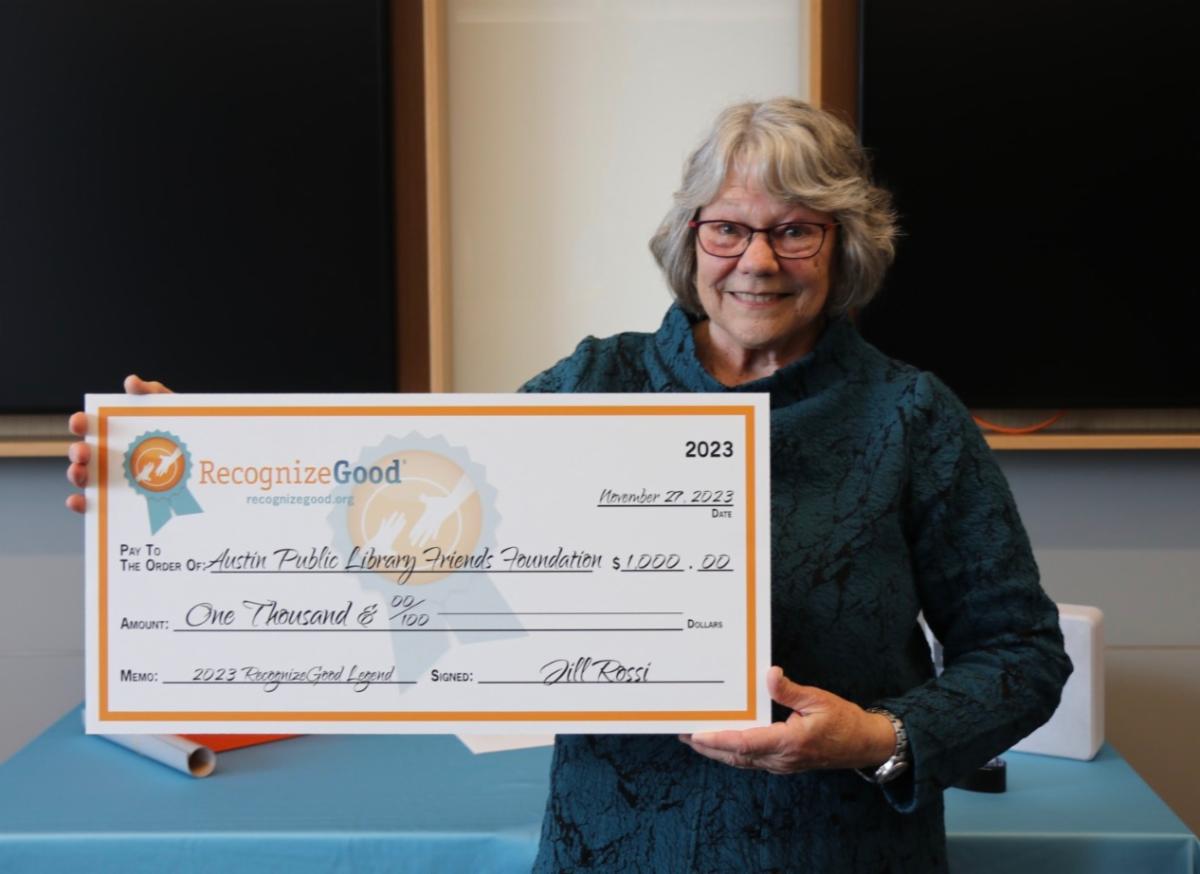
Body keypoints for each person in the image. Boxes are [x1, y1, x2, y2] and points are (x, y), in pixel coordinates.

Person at [67, 97, 1071, 872]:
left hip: (840, 851)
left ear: (844, 244)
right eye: (728, 227)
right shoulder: (595, 382)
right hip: (613, 847)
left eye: (796, 229)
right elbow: (419, 533)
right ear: (689, 239)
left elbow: (1021, 654)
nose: (757, 261)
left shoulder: (911, 415)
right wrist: (195, 466)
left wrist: (877, 739)